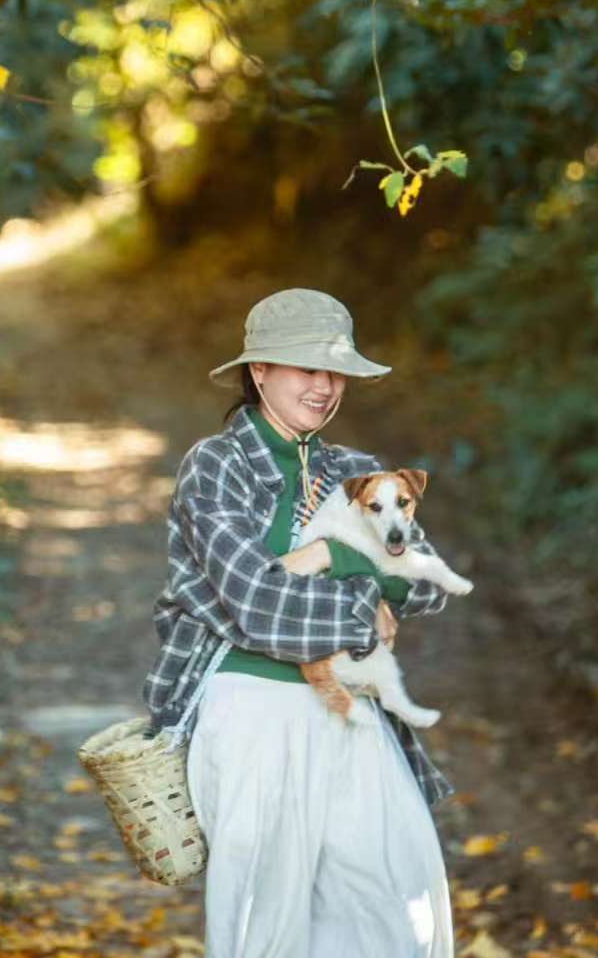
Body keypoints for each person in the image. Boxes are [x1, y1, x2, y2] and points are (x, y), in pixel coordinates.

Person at [143, 288, 455, 957]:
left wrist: (330, 555)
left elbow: (428, 582)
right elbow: (257, 604)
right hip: (252, 712)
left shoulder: (350, 469)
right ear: (260, 372)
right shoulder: (216, 465)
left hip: (351, 711)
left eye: (334, 370)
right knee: (269, 930)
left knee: (400, 917)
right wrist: (365, 597)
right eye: (305, 368)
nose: (324, 385)